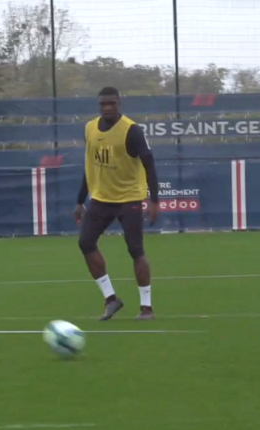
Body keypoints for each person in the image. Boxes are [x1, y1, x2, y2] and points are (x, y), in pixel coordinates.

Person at [75, 86, 160, 321]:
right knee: (85, 243)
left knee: (135, 249)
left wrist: (154, 200)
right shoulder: (90, 128)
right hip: (101, 198)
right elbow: (89, 166)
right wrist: (79, 200)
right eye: (103, 104)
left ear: (119, 103)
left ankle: (146, 307)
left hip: (129, 198)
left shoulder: (132, 131)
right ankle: (111, 299)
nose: (107, 108)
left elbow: (149, 163)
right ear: (99, 105)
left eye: (112, 103)